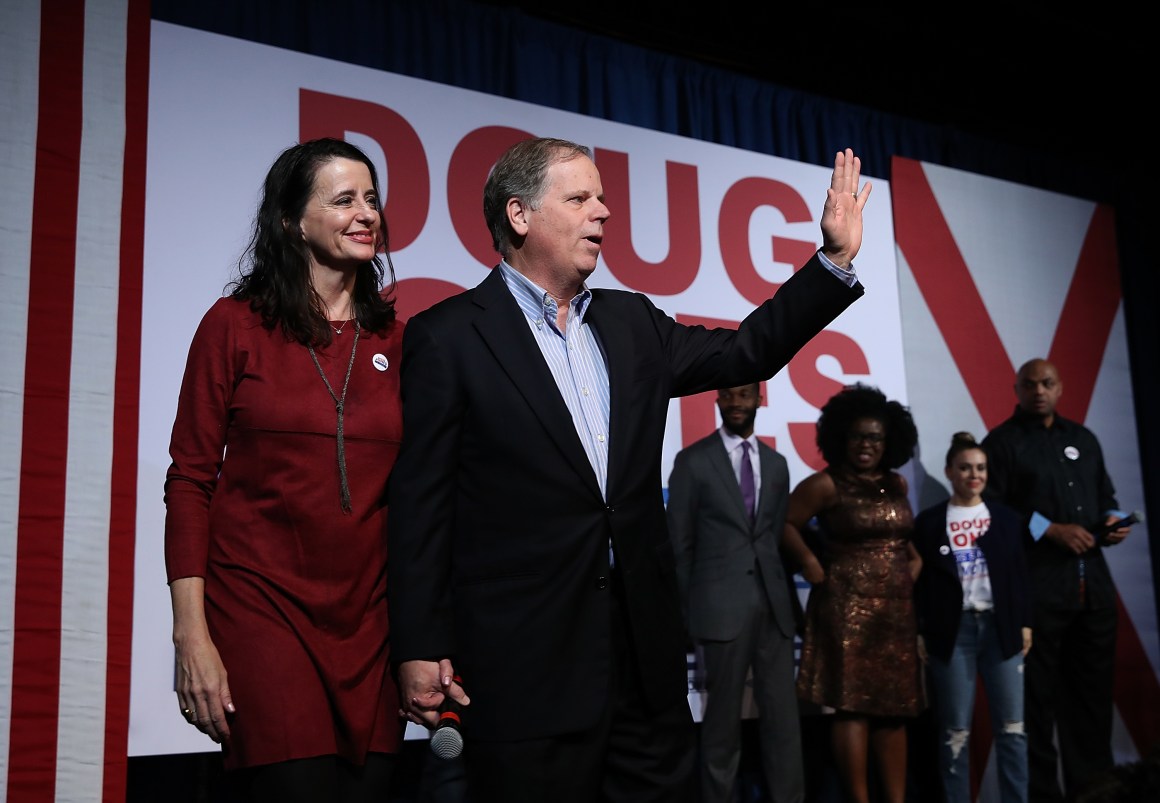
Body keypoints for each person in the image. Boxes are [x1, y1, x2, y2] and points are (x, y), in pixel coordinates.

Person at [386, 138, 869, 802]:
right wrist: (418, 642)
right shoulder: (448, 336)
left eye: (604, 198)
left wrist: (833, 260)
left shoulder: (632, 321)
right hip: (525, 668)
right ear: (519, 215)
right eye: (580, 198)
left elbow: (747, 350)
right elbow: (421, 504)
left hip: (645, 663)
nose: (603, 212)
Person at [163, 137, 405, 802]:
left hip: (371, 624)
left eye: (372, 198)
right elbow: (188, 480)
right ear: (292, 221)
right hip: (259, 609)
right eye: (344, 199)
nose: (366, 214)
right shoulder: (233, 326)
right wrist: (192, 634)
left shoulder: (400, 341)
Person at [981, 358, 1133, 802]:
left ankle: (1095, 794)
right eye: (1029, 385)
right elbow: (991, 511)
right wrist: (1047, 529)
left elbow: (1106, 496)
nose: (1039, 391)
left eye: (1047, 383)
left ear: (1060, 387)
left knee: (1090, 706)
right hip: (1038, 594)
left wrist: (1113, 519)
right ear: (1016, 389)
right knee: (1036, 708)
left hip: (1093, 594)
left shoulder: (1083, 439)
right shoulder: (1003, 443)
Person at [780, 383, 923, 803]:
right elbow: (785, 524)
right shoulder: (825, 484)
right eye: (858, 435)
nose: (866, 444)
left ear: (888, 441)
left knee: (895, 707)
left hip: (895, 614)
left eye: (875, 437)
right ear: (842, 437)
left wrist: (913, 565)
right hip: (847, 610)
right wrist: (809, 561)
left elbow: (901, 539)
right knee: (853, 707)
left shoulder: (896, 483)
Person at [666, 383, 805, 803]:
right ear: (717, 399)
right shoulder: (692, 461)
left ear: (759, 400)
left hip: (775, 609)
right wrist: (684, 615)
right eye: (729, 395)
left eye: (744, 395)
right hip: (719, 609)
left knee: (784, 725)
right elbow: (679, 545)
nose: (736, 403)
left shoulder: (777, 465)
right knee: (721, 725)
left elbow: (774, 536)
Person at [912, 431, 1034, 803]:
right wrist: (920, 629)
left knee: (1013, 729)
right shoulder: (930, 523)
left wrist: (1025, 622)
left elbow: (1020, 574)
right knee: (955, 731)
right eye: (965, 468)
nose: (973, 475)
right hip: (954, 633)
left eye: (980, 468)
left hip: (1001, 629)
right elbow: (921, 583)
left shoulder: (1007, 519)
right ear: (949, 471)